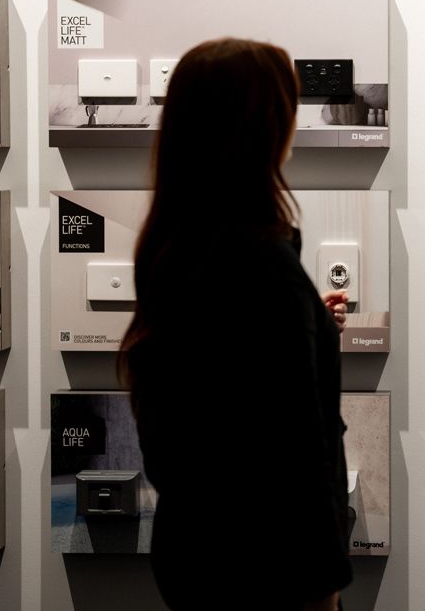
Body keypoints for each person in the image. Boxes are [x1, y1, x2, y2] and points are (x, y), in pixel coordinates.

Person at [119, 39, 351, 611]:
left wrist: (309, 324)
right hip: (271, 569)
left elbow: (216, 392)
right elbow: (296, 449)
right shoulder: (262, 261)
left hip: (197, 553)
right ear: (260, 126)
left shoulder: (178, 248)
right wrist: (322, 587)